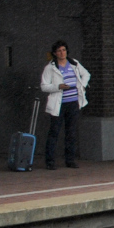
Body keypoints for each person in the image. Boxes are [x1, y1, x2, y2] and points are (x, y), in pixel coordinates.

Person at [41, 40, 90, 169]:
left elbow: (86, 74)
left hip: (73, 102)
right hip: (59, 104)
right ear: (55, 53)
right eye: (59, 51)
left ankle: (70, 160)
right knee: (54, 132)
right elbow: (44, 86)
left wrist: (82, 86)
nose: (62, 53)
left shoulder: (74, 63)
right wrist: (58, 86)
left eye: (64, 50)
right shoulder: (50, 67)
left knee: (71, 132)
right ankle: (50, 161)